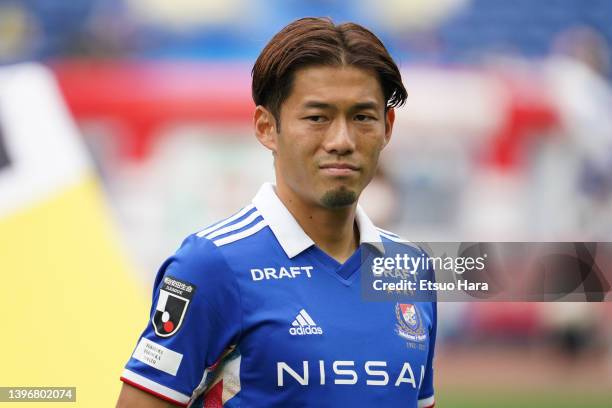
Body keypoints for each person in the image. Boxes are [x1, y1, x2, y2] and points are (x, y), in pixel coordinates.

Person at [116, 17, 436, 408]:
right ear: (267, 127)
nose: (341, 140)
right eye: (317, 117)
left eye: (362, 117)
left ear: (387, 127)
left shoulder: (412, 267)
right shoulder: (209, 264)